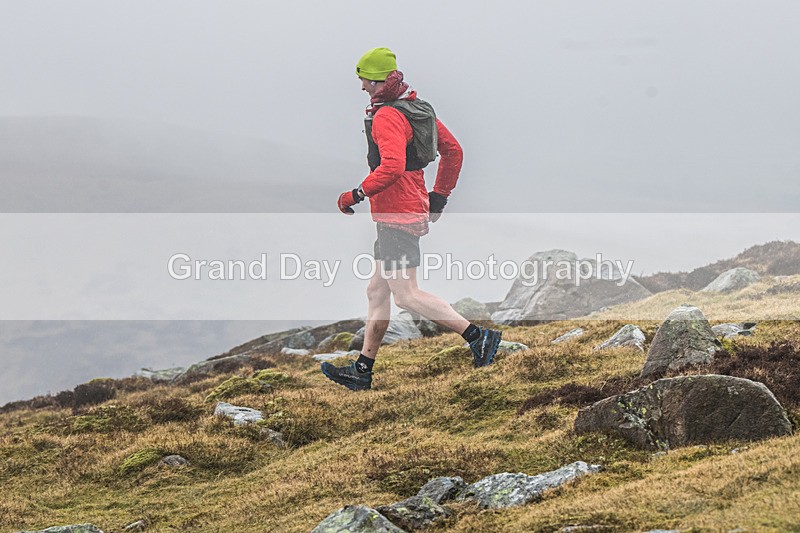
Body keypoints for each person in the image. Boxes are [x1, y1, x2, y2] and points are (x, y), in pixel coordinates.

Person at [322, 47, 502, 391]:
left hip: (397, 215)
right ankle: (362, 371)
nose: (361, 86)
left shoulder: (389, 116)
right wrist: (439, 197)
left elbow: (390, 166)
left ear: (378, 81)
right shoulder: (414, 106)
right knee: (377, 290)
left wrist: (355, 195)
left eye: (365, 80)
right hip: (408, 205)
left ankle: (478, 337)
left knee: (405, 295)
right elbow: (454, 151)